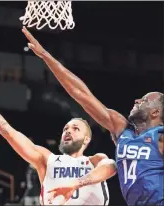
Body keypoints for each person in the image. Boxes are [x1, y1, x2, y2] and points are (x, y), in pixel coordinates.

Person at [21, 26, 164, 206]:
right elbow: (80, 93)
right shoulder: (121, 129)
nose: (137, 100)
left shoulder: (160, 136)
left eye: (144, 101)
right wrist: (45, 56)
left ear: (155, 112)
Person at [0, 98, 116, 205]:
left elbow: (111, 166)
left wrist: (75, 184)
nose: (68, 131)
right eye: (66, 128)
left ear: (86, 139)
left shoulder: (93, 161)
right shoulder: (47, 160)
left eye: (76, 128)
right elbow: (8, 131)